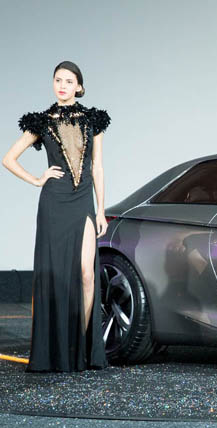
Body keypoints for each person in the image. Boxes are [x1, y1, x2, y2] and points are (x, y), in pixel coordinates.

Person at [2, 61, 110, 371]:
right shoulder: (41, 121)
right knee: (56, 277)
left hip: (83, 202)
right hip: (54, 203)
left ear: (79, 87)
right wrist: (37, 180)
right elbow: (8, 158)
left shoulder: (93, 120)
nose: (62, 85)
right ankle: (59, 350)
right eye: (58, 80)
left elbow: (97, 167)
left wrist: (101, 210)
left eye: (69, 81)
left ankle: (80, 346)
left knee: (86, 275)